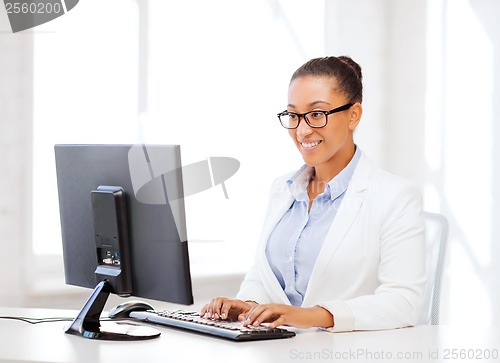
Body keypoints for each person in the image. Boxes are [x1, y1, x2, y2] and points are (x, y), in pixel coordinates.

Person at [200, 56, 426, 332]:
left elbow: (403, 303)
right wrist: (248, 304)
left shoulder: (396, 196)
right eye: (293, 115)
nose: (302, 130)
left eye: (317, 114)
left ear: (353, 115)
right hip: (278, 349)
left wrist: (310, 316)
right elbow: (264, 274)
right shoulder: (283, 189)